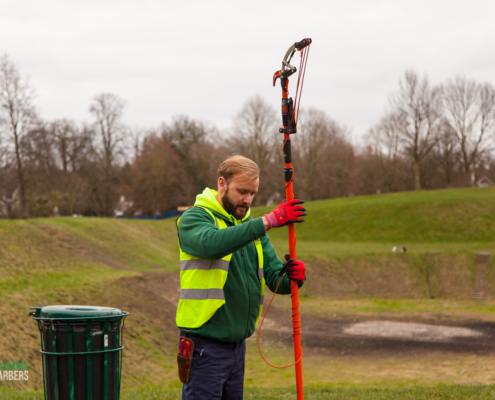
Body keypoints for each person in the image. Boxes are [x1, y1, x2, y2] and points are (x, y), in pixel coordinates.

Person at [176, 155, 307, 400]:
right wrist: (267, 221)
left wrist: (294, 277)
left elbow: (275, 278)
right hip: (204, 346)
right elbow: (212, 244)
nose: (247, 200)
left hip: (237, 348)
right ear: (222, 184)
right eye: (242, 191)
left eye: (252, 193)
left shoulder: (251, 227)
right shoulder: (194, 218)